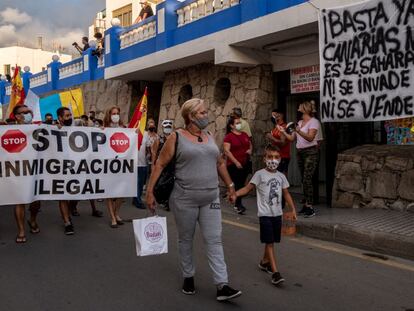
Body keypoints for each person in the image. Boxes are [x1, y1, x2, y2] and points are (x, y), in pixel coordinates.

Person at [146, 98, 242, 302]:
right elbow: (160, 164)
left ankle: (222, 284)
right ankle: (188, 276)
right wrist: (150, 192)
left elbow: (220, 163)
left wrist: (231, 186)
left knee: (214, 239)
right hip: (184, 199)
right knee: (186, 239)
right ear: (190, 116)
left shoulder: (209, 135)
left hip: (211, 198)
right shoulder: (176, 137)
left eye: (205, 112)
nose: (206, 115)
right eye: (201, 112)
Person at [235, 145, 297, 286]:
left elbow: (286, 193)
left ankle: (264, 262)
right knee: (269, 243)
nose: (273, 160)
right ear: (264, 159)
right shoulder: (259, 174)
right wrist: (235, 194)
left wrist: (292, 209)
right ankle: (275, 273)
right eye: (270, 157)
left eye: (276, 157)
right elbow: (247, 188)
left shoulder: (281, 176)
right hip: (265, 215)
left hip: (277, 214)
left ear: (280, 159)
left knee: (272, 240)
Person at [279, 100, 319, 218]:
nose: (298, 107)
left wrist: (298, 130)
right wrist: (283, 132)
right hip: (300, 152)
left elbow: (311, 138)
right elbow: (292, 139)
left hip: (311, 152)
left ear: (305, 109)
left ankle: (310, 206)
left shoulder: (314, 122)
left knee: (307, 178)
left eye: (300, 106)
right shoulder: (300, 122)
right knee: (303, 179)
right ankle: (306, 205)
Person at [12, 105, 41, 243]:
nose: (28, 114)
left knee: (36, 202)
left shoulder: (38, 128)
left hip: (35, 170)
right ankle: (21, 230)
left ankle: (32, 220)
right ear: (17, 116)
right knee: (20, 201)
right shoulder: (8, 130)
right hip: (17, 171)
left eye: (29, 112)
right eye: (24, 112)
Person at [223, 116, 252, 214]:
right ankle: (238, 204)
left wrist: (250, 150)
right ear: (231, 125)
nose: (239, 125)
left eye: (240, 123)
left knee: (242, 184)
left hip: (245, 163)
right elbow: (226, 151)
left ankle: (235, 199)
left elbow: (250, 144)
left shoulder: (244, 134)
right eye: (237, 123)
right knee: (239, 184)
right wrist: (236, 162)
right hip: (233, 164)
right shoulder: (229, 137)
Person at [104, 106, 126, 227]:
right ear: (109, 115)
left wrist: (134, 133)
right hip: (109, 164)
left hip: (121, 164)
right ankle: (112, 217)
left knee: (121, 192)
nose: (115, 115)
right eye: (113, 113)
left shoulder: (124, 128)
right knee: (110, 192)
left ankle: (116, 213)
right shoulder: (105, 128)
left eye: (117, 113)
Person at [56, 107, 75, 235]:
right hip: (60, 168)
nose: (70, 118)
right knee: (63, 196)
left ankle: (68, 213)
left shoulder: (75, 129)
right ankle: (67, 222)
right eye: (67, 116)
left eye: (70, 115)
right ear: (60, 118)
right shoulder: (53, 130)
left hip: (75, 167)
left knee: (74, 194)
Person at [151, 119, 174, 211]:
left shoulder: (173, 139)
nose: (167, 129)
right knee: (160, 183)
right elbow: (154, 153)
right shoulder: (158, 140)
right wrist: (153, 165)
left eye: (169, 127)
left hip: (171, 166)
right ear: (162, 127)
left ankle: (168, 202)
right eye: (166, 127)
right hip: (161, 165)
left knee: (171, 184)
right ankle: (159, 198)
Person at [267, 109, 291, 176]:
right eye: (272, 115)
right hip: (275, 155)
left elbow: (283, 143)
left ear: (281, 115)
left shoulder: (284, 127)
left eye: (275, 115)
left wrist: (272, 138)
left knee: (282, 177)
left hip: (283, 156)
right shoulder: (275, 128)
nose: (273, 116)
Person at [133, 122, 149, 209]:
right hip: (131, 163)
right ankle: (136, 199)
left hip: (142, 163)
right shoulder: (130, 132)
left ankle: (137, 199)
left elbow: (148, 148)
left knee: (139, 183)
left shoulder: (146, 134)